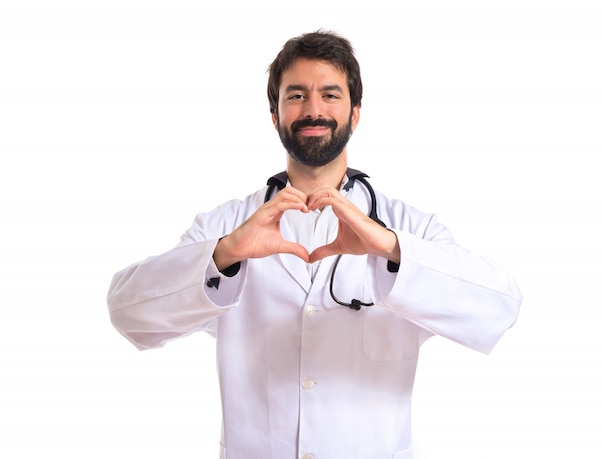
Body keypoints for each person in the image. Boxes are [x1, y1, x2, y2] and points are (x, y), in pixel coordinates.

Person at [107, 30, 522, 459]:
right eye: (296, 96)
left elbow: (499, 309)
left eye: (330, 94)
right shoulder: (226, 226)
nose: (313, 110)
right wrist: (226, 255)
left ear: (355, 113)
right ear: (274, 114)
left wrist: (392, 252)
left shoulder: (406, 228)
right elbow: (128, 314)